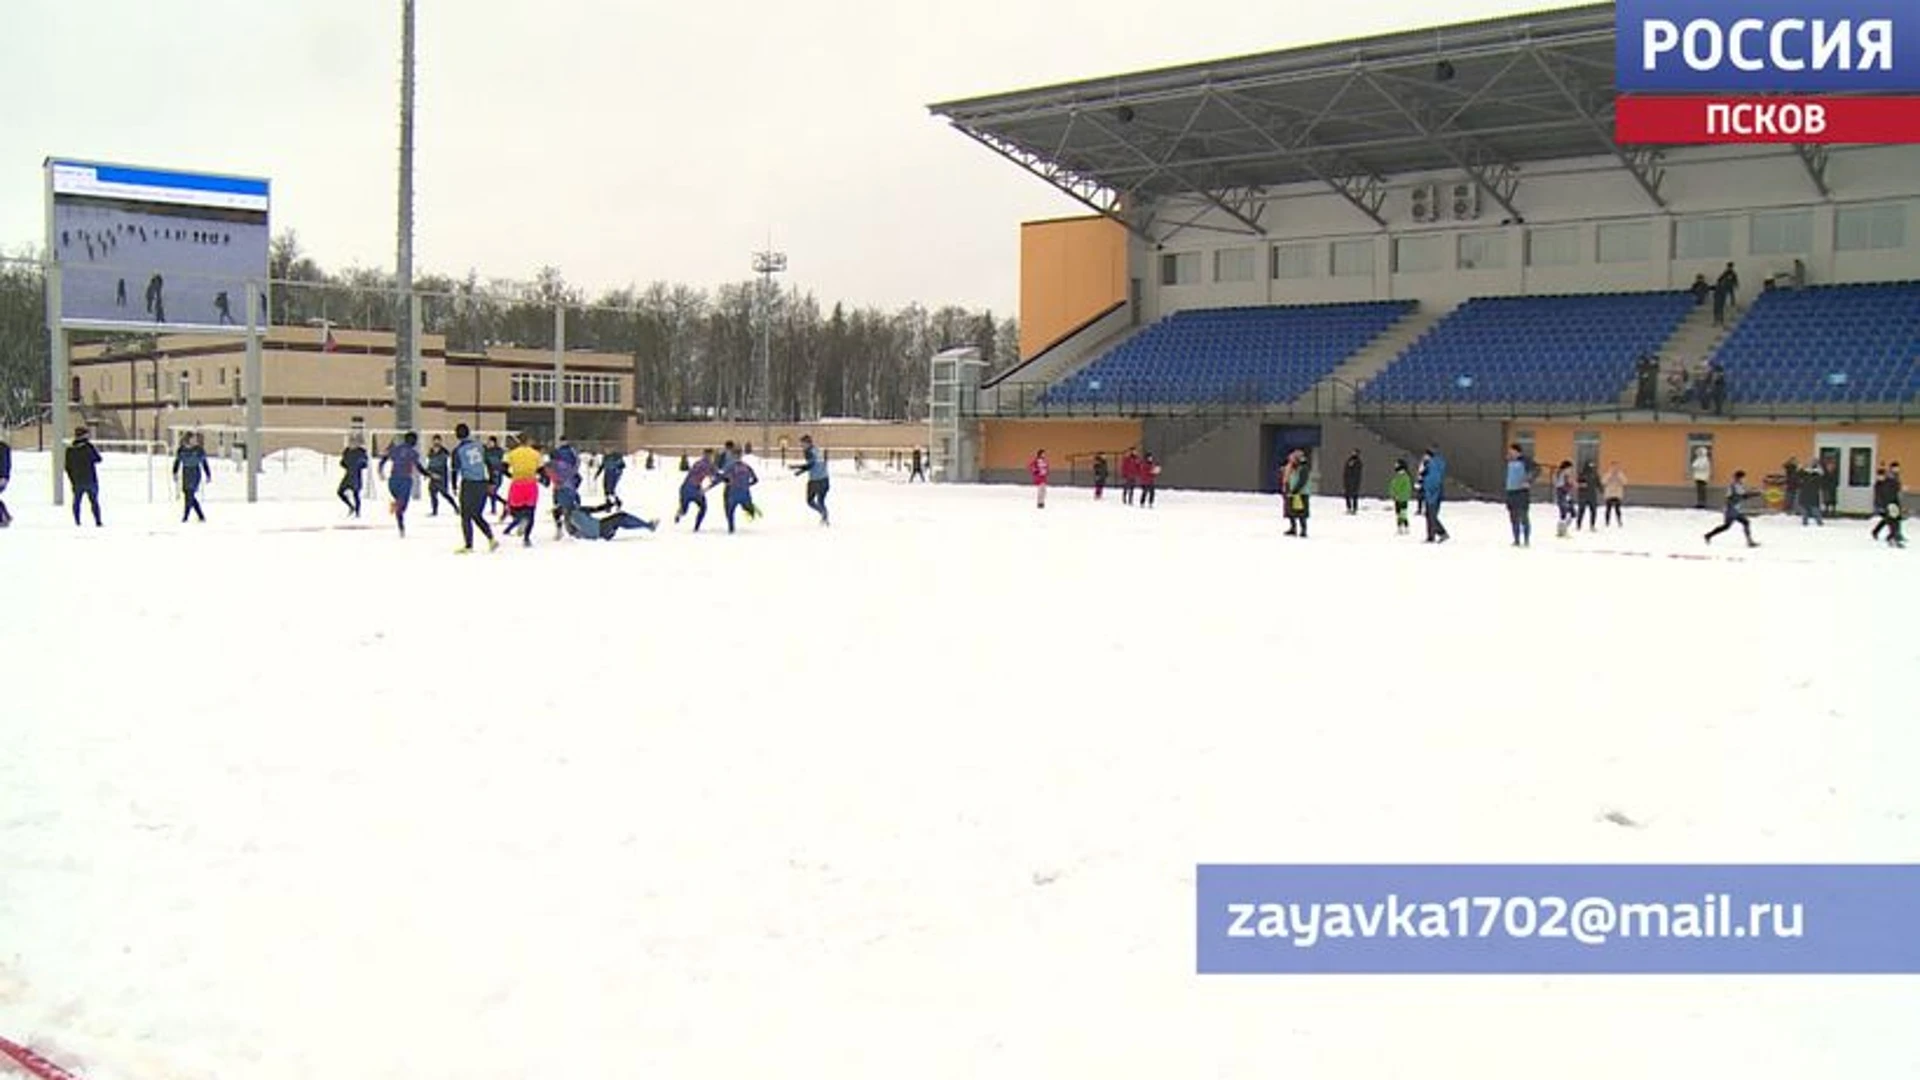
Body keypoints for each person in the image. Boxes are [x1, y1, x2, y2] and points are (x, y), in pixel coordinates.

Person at [451, 423, 500, 554]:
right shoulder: (480, 446)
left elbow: (454, 470)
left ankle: (468, 545)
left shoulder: (458, 451)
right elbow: (489, 463)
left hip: (469, 484)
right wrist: (492, 481)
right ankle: (491, 539)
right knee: (477, 514)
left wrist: (454, 485)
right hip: (482, 483)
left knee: (465, 515)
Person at [379, 431, 425, 537]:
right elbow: (418, 467)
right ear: (413, 441)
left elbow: (383, 459)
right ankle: (401, 528)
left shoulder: (395, 449)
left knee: (399, 505)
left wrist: (380, 471)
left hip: (393, 481)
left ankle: (399, 521)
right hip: (405, 481)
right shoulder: (413, 453)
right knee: (402, 508)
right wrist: (429, 475)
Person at [502, 435, 544, 545]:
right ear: (529, 441)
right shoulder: (536, 454)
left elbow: (503, 468)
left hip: (517, 484)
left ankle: (520, 518)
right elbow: (541, 470)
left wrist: (511, 475)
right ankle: (526, 538)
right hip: (531, 484)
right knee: (531, 511)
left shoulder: (512, 453)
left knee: (513, 508)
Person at [1704, 470, 1760, 547]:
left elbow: (1743, 495)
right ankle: (1708, 535)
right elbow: (1741, 496)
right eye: (1743, 478)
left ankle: (1749, 541)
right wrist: (1755, 493)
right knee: (1727, 526)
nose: (1744, 479)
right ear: (1739, 478)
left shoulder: (1739, 486)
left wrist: (1754, 493)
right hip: (1731, 509)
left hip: (1735, 509)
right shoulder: (1733, 486)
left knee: (1745, 522)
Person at [563, 497, 660, 541]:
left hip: (601, 527)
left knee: (620, 519)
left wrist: (609, 505)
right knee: (621, 517)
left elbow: (596, 509)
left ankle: (647, 525)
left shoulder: (577, 511)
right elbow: (573, 533)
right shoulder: (571, 516)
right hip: (600, 530)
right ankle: (648, 526)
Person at [65, 426, 104, 527]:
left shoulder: (70, 450)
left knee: (77, 501)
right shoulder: (88, 447)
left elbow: (67, 467)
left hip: (77, 480)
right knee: (94, 501)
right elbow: (98, 459)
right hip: (90, 478)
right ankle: (98, 521)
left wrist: (72, 479)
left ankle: (77, 521)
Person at [791, 434, 830, 526]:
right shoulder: (817, 449)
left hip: (815, 480)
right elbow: (818, 463)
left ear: (808, 443)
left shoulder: (808, 452)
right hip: (825, 478)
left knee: (810, 501)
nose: (801, 446)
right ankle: (824, 516)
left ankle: (823, 514)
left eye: (802, 444)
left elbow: (810, 465)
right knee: (821, 500)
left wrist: (798, 469)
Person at [172, 432, 211, 523]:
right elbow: (177, 462)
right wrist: (175, 472)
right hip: (186, 472)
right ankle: (201, 516)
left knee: (190, 494)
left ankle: (185, 517)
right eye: (192, 439)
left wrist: (208, 474)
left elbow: (204, 463)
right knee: (188, 494)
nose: (194, 441)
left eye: (195, 439)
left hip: (195, 472)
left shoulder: (199, 450)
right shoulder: (181, 450)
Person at [676, 449, 718, 530]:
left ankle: (679, 514)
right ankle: (696, 527)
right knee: (703, 507)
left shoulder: (698, 463)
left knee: (684, 510)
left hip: (684, 488)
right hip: (694, 490)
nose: (711, 457)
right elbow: (714, 475)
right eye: (711, 456)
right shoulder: (708, 465)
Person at [1503, 444, 1534, 547]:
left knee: (1523, 516)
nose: (1510, 454)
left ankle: (1526, 540)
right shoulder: (1509, 462)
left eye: (1512, 452)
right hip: (1511, 492)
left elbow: (1536, 470)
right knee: (1513, 517)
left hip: (1521, 492)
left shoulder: (1525, 460)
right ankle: (1516, 539)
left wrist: (1528, 480)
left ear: (1517, 452)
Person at [722, 454, 760, 533]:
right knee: (746, 506)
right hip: (745, 493)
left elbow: (724, 478)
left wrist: (729, 482)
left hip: (733, 493)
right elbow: (755, 480)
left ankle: (731, 528)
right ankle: (750, 510)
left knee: (730, 511)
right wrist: (747, 484)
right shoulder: (747, 466)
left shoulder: (730, 467)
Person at [1871, 463, 1905, 548]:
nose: (1880, 477)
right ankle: (1892, 537)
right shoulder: (1878, 485)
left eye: (1881, 476)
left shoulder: (1890, 481)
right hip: (1885, 506)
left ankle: (1892, 537)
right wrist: (1878, 507)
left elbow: (1897, 488)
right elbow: (1877, 497)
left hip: (1893, 504)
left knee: (1894, 522)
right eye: (1879, 476)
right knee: (1890, 522)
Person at [1421, 446, 1450, 543]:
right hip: (1435, 493)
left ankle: (1436, 535)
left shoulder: (1432, 465)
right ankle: (1436, 534)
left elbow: (1432, 481)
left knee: (1430, 515)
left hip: (1432, 494)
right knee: (1430, 515)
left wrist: (1423, 481)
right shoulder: (1436, 464)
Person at [337, 439, 370, 517]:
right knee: (340, 492)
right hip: (348, 475)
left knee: (356, 493)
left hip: (356, 475)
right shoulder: (347, 451)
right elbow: (342, 463)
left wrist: (359, 464)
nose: (352, 445)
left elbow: (365, 464)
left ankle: (358, 512)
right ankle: (351, 507)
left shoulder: (361, 452)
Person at [425, 435, 455, 517]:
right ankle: (434, 511)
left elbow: (448, 464)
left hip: (441, 476)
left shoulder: (444, 452)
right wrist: (427, 473)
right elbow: (429, 463)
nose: (436, 442)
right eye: (435, 441)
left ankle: (456, 507)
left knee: (445, 494)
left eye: (438, 441)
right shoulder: (430, 452)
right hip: (433, 475)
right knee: (432, 494)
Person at [1285, 449, 1311, 535]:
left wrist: (1295, 490)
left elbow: (1302, 481)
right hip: (1294, 492)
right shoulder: (1293, 468)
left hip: (1302, 493)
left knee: (1301, 513)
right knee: (1291, 511)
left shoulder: (1303, 468)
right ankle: (1293, 528)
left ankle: (1303, 530)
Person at [1387, 457, 1413, 535]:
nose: (1395, 465)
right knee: (1398, 514)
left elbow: (1406, 489)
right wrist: (1393, 494)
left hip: (1403, 499)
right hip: (1397, 498)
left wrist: (1400, 495)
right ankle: (1400, 527)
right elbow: (1393, 486)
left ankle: (1405, 527)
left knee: (1403, 514)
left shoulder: (1405, 477)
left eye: (1397, 464)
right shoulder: (1397, 476)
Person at [1552, 460, 1577, 538]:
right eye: (1570, 468)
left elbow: (1556, 484)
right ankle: (1563, 531)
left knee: (1564, 513)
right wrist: (1574, 484)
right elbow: (1569, 483)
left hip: (1562, 494)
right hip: (1564, 494)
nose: (1571, 470)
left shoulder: (1558, 473)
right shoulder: (1565, 474)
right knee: (1568, 513)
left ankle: (1561, 530)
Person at [1798, 459, 1826, 527]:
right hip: (1808, 493)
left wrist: (1801, 469)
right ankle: (1812, 522)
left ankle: (1815, 522)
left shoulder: (1816, 473)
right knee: (1809, 508)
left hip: (1809, 493)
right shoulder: (1817, 473)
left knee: (1812, 509)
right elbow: (1799, 475)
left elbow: (1799, 476)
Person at [1575, 459, 1601, 531]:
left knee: (1593, 511)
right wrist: (1581, 485)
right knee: (1581, 511)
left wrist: (1602, 490)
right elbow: (1578, 484)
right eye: (1590, 466)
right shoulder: (1582, 474)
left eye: (1593, 466)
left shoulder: (1595, 474)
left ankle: (1592, 525)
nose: (1592, 467)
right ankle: (1578, 525)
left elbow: (1598, 483)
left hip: (1592, 495)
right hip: (1583, 495)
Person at [1602, 461, 1627, 526]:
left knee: (1617, 509)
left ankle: (1619, 521)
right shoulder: (1608, 474)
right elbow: (1603, 481)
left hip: (1617, 494)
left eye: (1616, 466)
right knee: (1608, 509)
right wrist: (1610, 475)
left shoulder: (1620, 474)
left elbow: (1625, 482)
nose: (1614, 468)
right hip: (1609, 494)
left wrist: (1619, 475)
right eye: (1613, 466)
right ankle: (1607, 522)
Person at [1341, 450, 1363, 515]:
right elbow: (1346, 470)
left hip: (1355, 481)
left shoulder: (1358, 462)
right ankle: (1348, 507)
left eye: (1355, 452)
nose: (1353, 453)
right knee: (1347, 495)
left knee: (1355, 495)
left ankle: (1354, 508)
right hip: (1348, 481)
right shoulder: (1349, 461)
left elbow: (1357, 472)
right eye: (1353, 452)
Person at [0, 437, 12, 527]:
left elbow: (5, 465)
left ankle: (3, 517)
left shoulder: (2, 448)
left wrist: (3, 477)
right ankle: (5, 515)